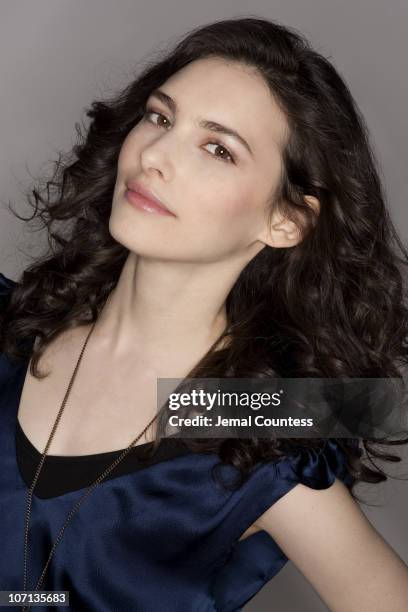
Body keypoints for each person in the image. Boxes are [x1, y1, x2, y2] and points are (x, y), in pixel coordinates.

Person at [1, 16, 408, 612]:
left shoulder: (251, 436)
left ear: (287, 220)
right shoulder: (12, 326)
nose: (156, 155)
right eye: (160, 117)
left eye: (218, 149)